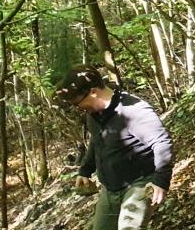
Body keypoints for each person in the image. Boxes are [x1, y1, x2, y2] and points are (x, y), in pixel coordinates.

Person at [56, 65, 173, 230]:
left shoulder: (134, 111)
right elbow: (97, 141)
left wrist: (161, 180)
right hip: (110, 188)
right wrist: (85, 170)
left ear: (94, 92)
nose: (78, 108)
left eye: (77, 103)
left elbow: (162, 142)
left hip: (140, 182)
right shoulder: (94, 114)